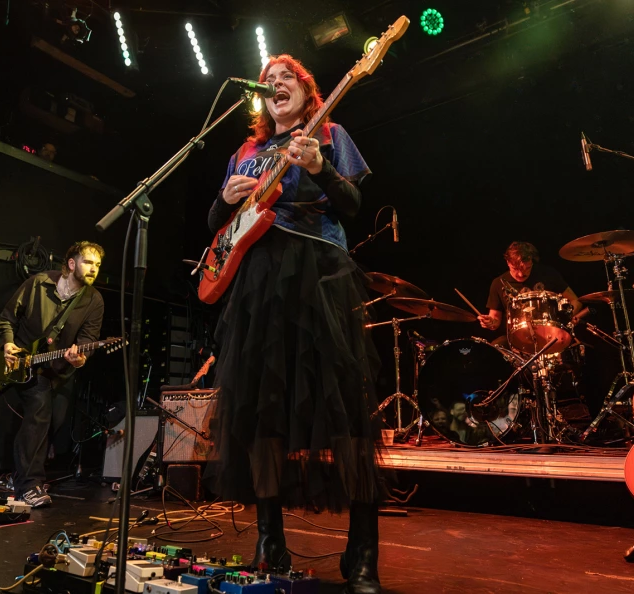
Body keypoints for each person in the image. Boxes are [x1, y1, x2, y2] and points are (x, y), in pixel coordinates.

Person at [203, 54, 383, 594]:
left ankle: (364, 551)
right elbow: (219, 226)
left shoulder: (328, 132)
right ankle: (269, 539)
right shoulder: (248, 151)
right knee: (260, 411)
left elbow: (352, 203)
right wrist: (224, 198)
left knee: (347, 414)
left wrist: (320, 167)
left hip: (320, 274)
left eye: (287, 79)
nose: (276, 85)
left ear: (307, 90)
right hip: (259, 285)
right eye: (269, 81)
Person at [0, 241, 105, 508]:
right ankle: (29, 486)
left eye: (98, 265)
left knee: (54, 425)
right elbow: (7, 318)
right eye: (88, 262)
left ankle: (18, 475)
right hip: (23, 365)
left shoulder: (94, 301)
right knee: (39, 413)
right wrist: (8, 344)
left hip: (60, 371)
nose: (94, 269)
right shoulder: (38, 282)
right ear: (71, 264)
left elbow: (88, 341)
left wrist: (79, 360)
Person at [478, 241, 582, 340]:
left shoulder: (548, 274)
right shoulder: (498, 283)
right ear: (508, 262)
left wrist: (570, 316)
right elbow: (495, 320)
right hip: (517, 337)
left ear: (532, 261)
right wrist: (490, 322)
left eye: (527, 268)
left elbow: (575, 300)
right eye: (515, 268)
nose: (521, 274)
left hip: (551, 334)